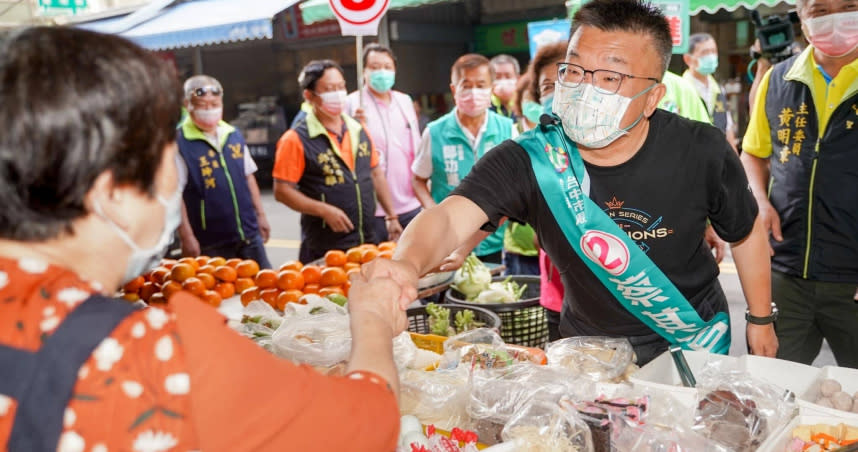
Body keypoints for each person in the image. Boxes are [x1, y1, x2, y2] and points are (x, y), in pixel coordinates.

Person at [0, 27, 406, 451]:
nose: (178, 174)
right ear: (113, 194)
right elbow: (365, 424)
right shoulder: (156, 358)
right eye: (164, 155)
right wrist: (373, 323)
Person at [378, 0, 778, 365]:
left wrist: (760, 319)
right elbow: (448, 219)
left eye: (609, 77)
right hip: (590, 354)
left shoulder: (700, 148)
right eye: (574, 70)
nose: (585, 88)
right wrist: (405, 266)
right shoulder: (531, 158)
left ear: (653, 96)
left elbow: (744, 233)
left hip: (694, 339)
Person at [741, 0, 858, 368]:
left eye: (848, 6)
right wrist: (759, 201)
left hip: (851, 277)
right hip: (786, 272)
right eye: (820, 10)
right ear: (802, 19)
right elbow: (753, 153)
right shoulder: (777, 79)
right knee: (775, 385)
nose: (835, 19)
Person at [273, 59, 401, 263]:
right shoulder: (295, 139)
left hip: (367, 239)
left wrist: (391, 216)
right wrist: (323, 210)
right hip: (325, 246)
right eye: (329, 89)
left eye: (341, 87)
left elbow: (376, 173)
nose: (338, 93)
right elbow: (282, 191)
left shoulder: (358, 129)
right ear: (309, 95)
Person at [411, 54, 517, 264]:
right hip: (446, 241)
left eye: (480, 85)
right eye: (466, 85)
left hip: (492, 239)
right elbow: (418, 179)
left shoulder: (507, 130)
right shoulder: (435, 132)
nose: (473, 92)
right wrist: (434, 212)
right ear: (453, 90)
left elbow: (514, 187)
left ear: (491, 88)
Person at [176, 75, 272, 269]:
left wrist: (260, 215)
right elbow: (174, 194)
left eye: (215, 104)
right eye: (203, 105)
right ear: (187, 104)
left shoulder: (233, 134)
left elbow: (248, 176)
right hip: (210, 242)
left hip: (248, 234)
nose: (210, 110)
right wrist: (186, 236)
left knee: (265, 286)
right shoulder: (179, 143)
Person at [347, 43, 422, 242]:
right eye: (375, 67)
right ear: (364, 71)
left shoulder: (404, 100)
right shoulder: (353, 104)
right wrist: (355, 126)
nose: (382, 72)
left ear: (395, 70)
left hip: (411, 202)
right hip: (376, 209)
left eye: (387, 67)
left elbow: (416, 146)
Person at [683, 33, 739, 152]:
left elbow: (728, 129)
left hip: (718, 159)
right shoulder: (682, 89)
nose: (711, 56)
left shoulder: (718, 90)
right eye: (705, 53)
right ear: (688, 59)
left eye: (714, 51)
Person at [489, 54, 520, 121]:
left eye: (508, 76)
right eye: (497, 77)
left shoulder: (524, 105)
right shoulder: (484, 106)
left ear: (518, 79)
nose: (503, 81)